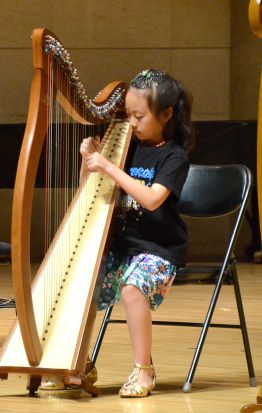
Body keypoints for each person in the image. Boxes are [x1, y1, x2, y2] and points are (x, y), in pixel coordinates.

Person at [80, 68, 194, 397]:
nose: (131, 123)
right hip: (125, 247)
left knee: (132, 287)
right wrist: (91, 157)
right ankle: (77, 361)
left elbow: (153, 199)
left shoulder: (174, 156)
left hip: (160, 250)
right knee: (84, 284)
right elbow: (101, 187)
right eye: (127, 114)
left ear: (167, 114)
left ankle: (144, 370)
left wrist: (109, 167)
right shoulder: (127, 147)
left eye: (139, 116)